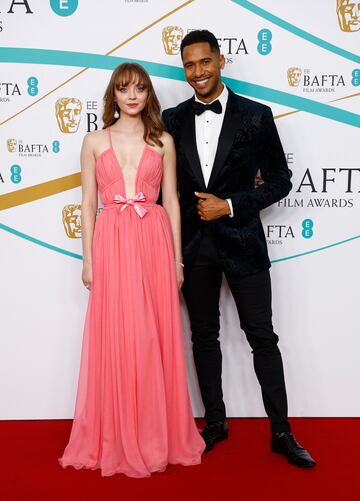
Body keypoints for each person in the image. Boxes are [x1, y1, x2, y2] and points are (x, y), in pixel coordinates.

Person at [163, 30, 316, 468]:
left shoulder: (255, 115)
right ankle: (215, 424)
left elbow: (280, 180)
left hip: (244, 243)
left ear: (221, 60)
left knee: (262, 338)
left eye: (204, 62)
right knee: (203, 338)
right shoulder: (172, 119)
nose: (198, 72)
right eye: (189, 65)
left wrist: (230, 205)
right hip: (193, 248)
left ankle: (282, 432)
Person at [60, 62, 204, 478]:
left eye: (140, 88)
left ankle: (155, 433)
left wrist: (177, 259)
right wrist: (88, 259)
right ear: (114, 95)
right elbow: (87, 204)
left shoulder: (163, 141)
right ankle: (116, 434)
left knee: (151, 336)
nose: (133, 96)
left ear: (148, 95)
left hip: (153, 242)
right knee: (118, 335)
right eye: (124, 89)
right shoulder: (92, 141)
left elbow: (173, 202)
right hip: (111, 241)